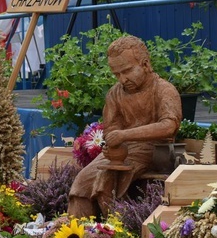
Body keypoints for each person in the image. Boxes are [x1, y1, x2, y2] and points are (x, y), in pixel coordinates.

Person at [68, 35, 182, 218]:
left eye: (127, 71)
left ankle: (118, 230)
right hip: (121, 151)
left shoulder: (163, 89)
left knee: (106, 177)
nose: (122, 79)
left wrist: (124, 135)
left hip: (156, 151)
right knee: (82, 181)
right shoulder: (115, 94)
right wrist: (113, 138)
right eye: (116, 74)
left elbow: (169, 126)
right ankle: (78, 231)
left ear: (145, 65)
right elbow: (111, 128)